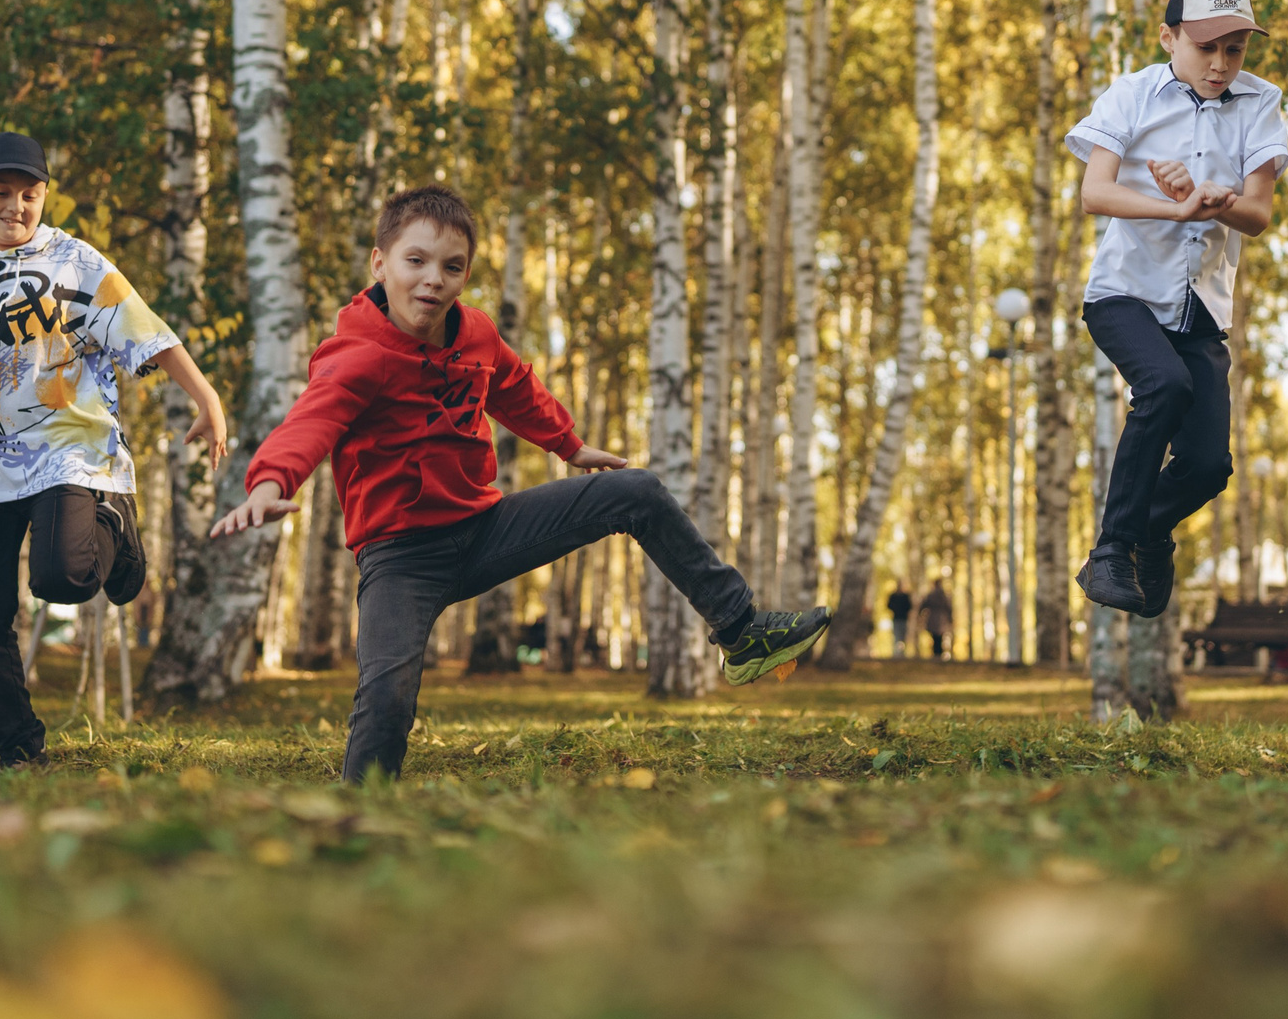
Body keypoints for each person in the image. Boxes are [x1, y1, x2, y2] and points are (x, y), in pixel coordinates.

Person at [211, 185, 832, 782]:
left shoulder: (474, 332)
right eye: (416, 261)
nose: (433, 279)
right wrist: (269, 482)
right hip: (401, 558)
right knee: (388, 692)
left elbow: (512, 386)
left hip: (485, 530)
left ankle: (741, 630)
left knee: (636, 491)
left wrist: (569, 444)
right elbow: (310, 421)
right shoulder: (355, 355)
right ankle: (362, 805)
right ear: (380, 263)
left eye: (452, 268)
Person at [0, 132, 231, 769]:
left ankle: (114, 530)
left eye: (28, 195)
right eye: (0, 193)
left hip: (65, 446)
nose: (14, 206)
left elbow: (144, 329)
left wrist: (206, 396)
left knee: (60, 577)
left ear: (43, 197)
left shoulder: (74, 260)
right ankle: (20, 748)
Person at [1065, 0, 1288, 616]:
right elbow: (1094, 194)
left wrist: (1218, 204)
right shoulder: (1131, 95)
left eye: (1235, 49)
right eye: (1205, 47)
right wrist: (1176, 210)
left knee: (1208, 464)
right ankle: (1111, 551)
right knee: (1163, 385)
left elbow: (1259, 214)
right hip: (1124, 294)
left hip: (1201, 309)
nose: (1220, 64)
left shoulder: (1261, 103)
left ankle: (1149, 532)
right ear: (1170, 37)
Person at [917, 577, 954, 659]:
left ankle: (937, 654)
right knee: (939, 638)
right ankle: (938, 655)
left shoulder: (932, 595)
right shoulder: (943, 596)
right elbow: (949, 608)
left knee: (936, 638)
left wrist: (920, 616)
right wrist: (950, 619)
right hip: (941, 619)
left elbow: (923, 605)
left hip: (934, 619)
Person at [885, 584, 915, 658]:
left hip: (903, 619)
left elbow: (909, 606)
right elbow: (889, 605)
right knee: (896, 635)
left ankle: (901, 653)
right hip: (896, 618)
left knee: (903, 636)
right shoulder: (893, 596)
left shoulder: (905, 596)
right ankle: (896, 653)